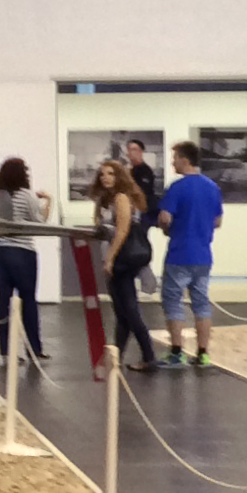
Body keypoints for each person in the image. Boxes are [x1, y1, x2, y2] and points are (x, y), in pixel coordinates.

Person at [158, 139, 224, 368]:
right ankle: (203, 353)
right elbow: (218, 221)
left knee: (173, 302)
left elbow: (165, 218)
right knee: (201, 304)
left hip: (179, 254)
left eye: (175, 158)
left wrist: (168, 228)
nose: (172, 163)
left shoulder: (177, 188)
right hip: (203, 256)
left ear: (184, 160)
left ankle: (177, 352)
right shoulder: (212, 187)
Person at [0, 155, 48, 366]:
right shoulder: (27, 195)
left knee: (3, 300)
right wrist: (48, 201)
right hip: (22, 252)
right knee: (28, 300)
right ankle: (34, 349)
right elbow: (39, 223)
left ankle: (6, 352)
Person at [95, 159, 157, 371]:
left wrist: (110, 258)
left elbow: (122, 230)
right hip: (116, 258)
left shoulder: (121, 198)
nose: (105, 177)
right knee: (122, 312)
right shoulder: (106, 199)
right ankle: (117, 356)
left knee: (129, 311)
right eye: (102, 174)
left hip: (123, 259)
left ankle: (148, 356)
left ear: (119, 176)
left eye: (110, 173)